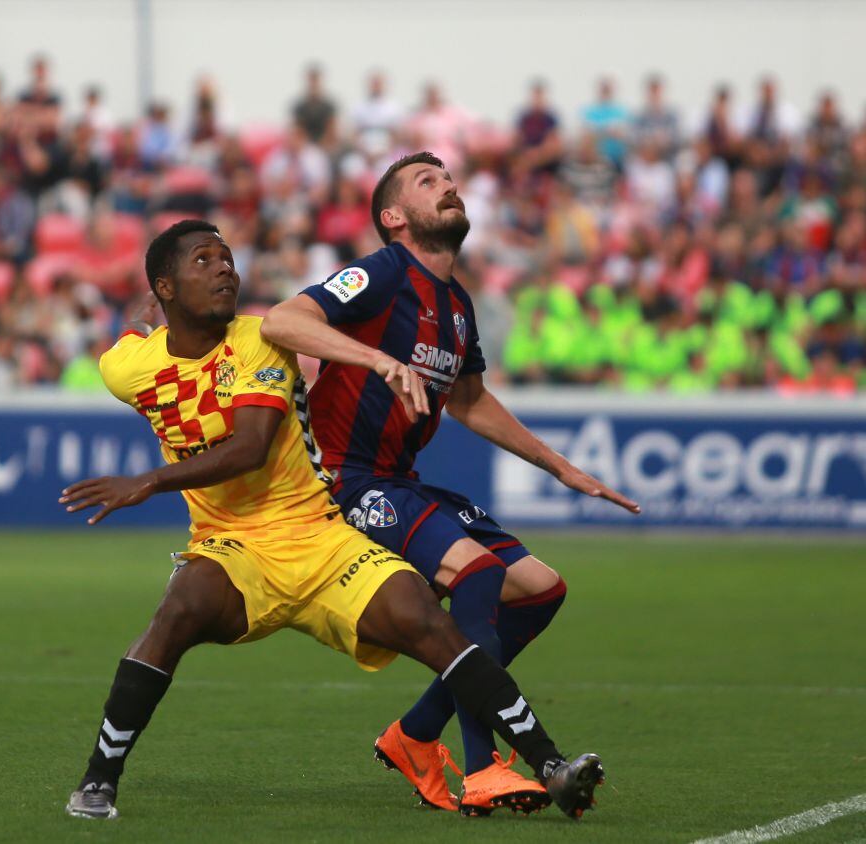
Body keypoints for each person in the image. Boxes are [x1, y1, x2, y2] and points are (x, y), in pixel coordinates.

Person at [59, 219, 605, 821]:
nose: (225, 270)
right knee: (179, 609)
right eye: (204, 260)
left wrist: (149, 480)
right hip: (232, 546)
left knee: (427, 622)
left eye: (229, 258)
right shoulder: (125, 367)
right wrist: (146, 309)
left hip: (320, 536)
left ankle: (549, 764)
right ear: (165, 287)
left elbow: (251, 447)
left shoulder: (260, 339)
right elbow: (133, 335)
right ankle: (98, 781)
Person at [261, 152, 639, 815]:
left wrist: (559, 466)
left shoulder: (458, 304)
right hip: (347, 486)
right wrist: (376, 358)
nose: (451, 187)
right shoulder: (381, 273)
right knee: (475, 575)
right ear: (394, 216)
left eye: (450, 179)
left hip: (402, 481)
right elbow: (282, 322)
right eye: (429, 183)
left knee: (540, 589)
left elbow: (468, 401)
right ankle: (484, 765)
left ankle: (414, 733)